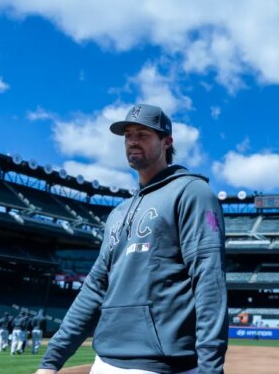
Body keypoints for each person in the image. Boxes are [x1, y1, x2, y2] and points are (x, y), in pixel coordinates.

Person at [36, 104, 228, 374]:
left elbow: (209, 280)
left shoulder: (192, 192)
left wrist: (210, 370)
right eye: (128, 135)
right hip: (104, 361)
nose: (133, 141)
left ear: (166, 142)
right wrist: (51, 362)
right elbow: (94, 289)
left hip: (162, 365)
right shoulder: (117, 213)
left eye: (143, 134)